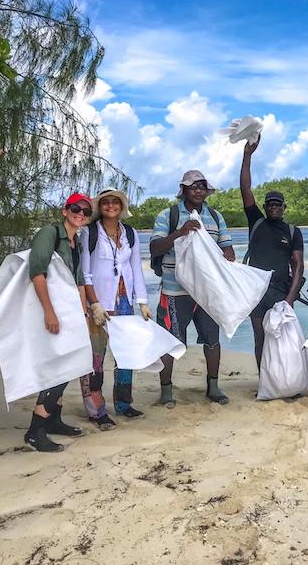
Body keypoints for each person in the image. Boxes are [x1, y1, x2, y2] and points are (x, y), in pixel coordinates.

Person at [150, 170, 235, 407]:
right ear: (184, 190)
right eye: (193, 186)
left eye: (202, 186)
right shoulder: (168, 215)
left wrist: (219, 255)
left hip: (207, 293)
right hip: (174, 291)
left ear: (207, 191)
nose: (198, 190)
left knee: (212, 340)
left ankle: (213, 387)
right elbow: (156, 247)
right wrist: (181, 232)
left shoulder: (216, 217)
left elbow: (228, 251)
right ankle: (166, 391)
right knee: (169, 341)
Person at [24, 193, 92, 452]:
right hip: (53, 309)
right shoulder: (48, 233)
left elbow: (79, 280)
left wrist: (84, 314)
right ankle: (35, 430)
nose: (81, 214)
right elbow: (37, 272)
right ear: (65, 210)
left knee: (70, 365)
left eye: (86, 211)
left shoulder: (78, 242)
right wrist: (48, 312)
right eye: (76, 208)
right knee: (59, 366)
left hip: (70, 311)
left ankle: (54, 420)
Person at [79, 188, 151, 430]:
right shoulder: (89, 233)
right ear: (100, 207)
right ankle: (96, 410)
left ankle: (123, 402)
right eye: (106, 202)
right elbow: (85, 273)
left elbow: (136, 268)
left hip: (123, 300)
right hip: (99, 302)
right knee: (95, 358)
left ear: (121, 206)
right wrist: (93, 303)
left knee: (125, 354)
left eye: (115, 202)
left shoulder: (130, 233)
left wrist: (142, 301)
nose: (111, 206)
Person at [239, 136, 304, 371]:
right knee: (261, 338)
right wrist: (247, 155)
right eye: (270, 204)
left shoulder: (293, 232)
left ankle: (283, 380)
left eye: (279, 204)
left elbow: (298, 267)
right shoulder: (256, 222)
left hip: (281, 291)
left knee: (282, 339)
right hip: (256, 292)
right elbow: (245, 188)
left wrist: (290, 298)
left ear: (284, 208)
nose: (274, 207)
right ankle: (265, 380)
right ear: (265, 208)